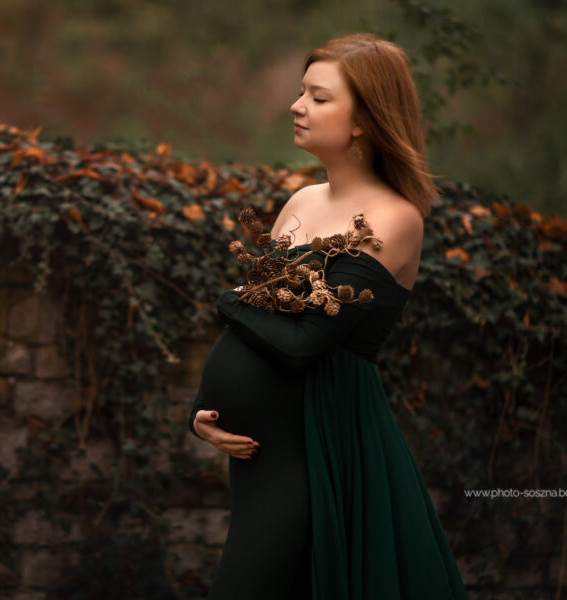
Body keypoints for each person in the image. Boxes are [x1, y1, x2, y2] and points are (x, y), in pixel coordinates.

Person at [187, 33, 469, 599]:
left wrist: (226, 298)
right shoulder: (301, 202)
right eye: (301, 93)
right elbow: (258, 326)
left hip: (322, 445)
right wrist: (205, 409)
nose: (297, 106)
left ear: (364, 118)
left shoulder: (396, 218)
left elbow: (303, 341)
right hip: (260, 454)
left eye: (318, 97)